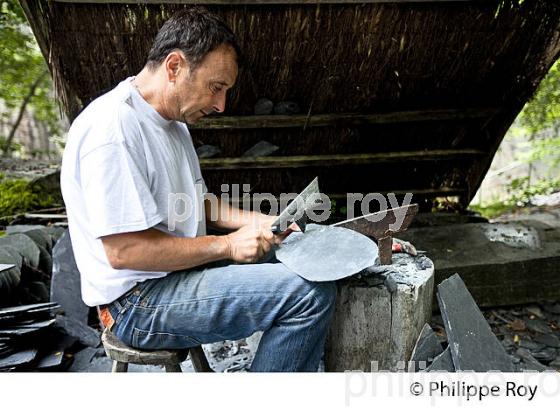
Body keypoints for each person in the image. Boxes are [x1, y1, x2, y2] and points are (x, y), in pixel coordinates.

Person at [60, 7, 336, 372]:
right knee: (308, 296)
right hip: (135, 303)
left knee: (303, 252)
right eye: (216, 87)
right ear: (174, 66)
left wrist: (263, 221)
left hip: (173, 276)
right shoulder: (112, 130)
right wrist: (227, 244)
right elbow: (125, 251)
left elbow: (197, 204)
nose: (221, 105)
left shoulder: (172, 123)